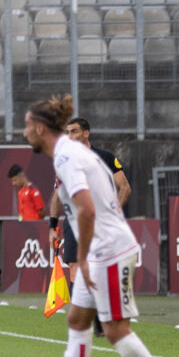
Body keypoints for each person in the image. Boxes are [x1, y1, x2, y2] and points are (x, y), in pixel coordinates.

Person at [24, 94, 179, 357]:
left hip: (107, 250)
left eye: (26, 127)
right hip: (98, 250)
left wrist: (81, 258)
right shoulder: (71, 154)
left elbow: (87, 208)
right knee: (78, 320)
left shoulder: (67, 156)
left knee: (115, 330)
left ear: (40, 129)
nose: (24, 133)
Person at [48, 118, 132, 338]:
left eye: (74, 131)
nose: (70, 136)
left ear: (86, 133)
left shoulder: (105, 157)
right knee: (76, 268)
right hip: (74, 222)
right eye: (68, 132)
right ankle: (84, 323)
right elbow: (57, 195)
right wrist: (52, 225)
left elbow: (124, 188)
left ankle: (99, 320)